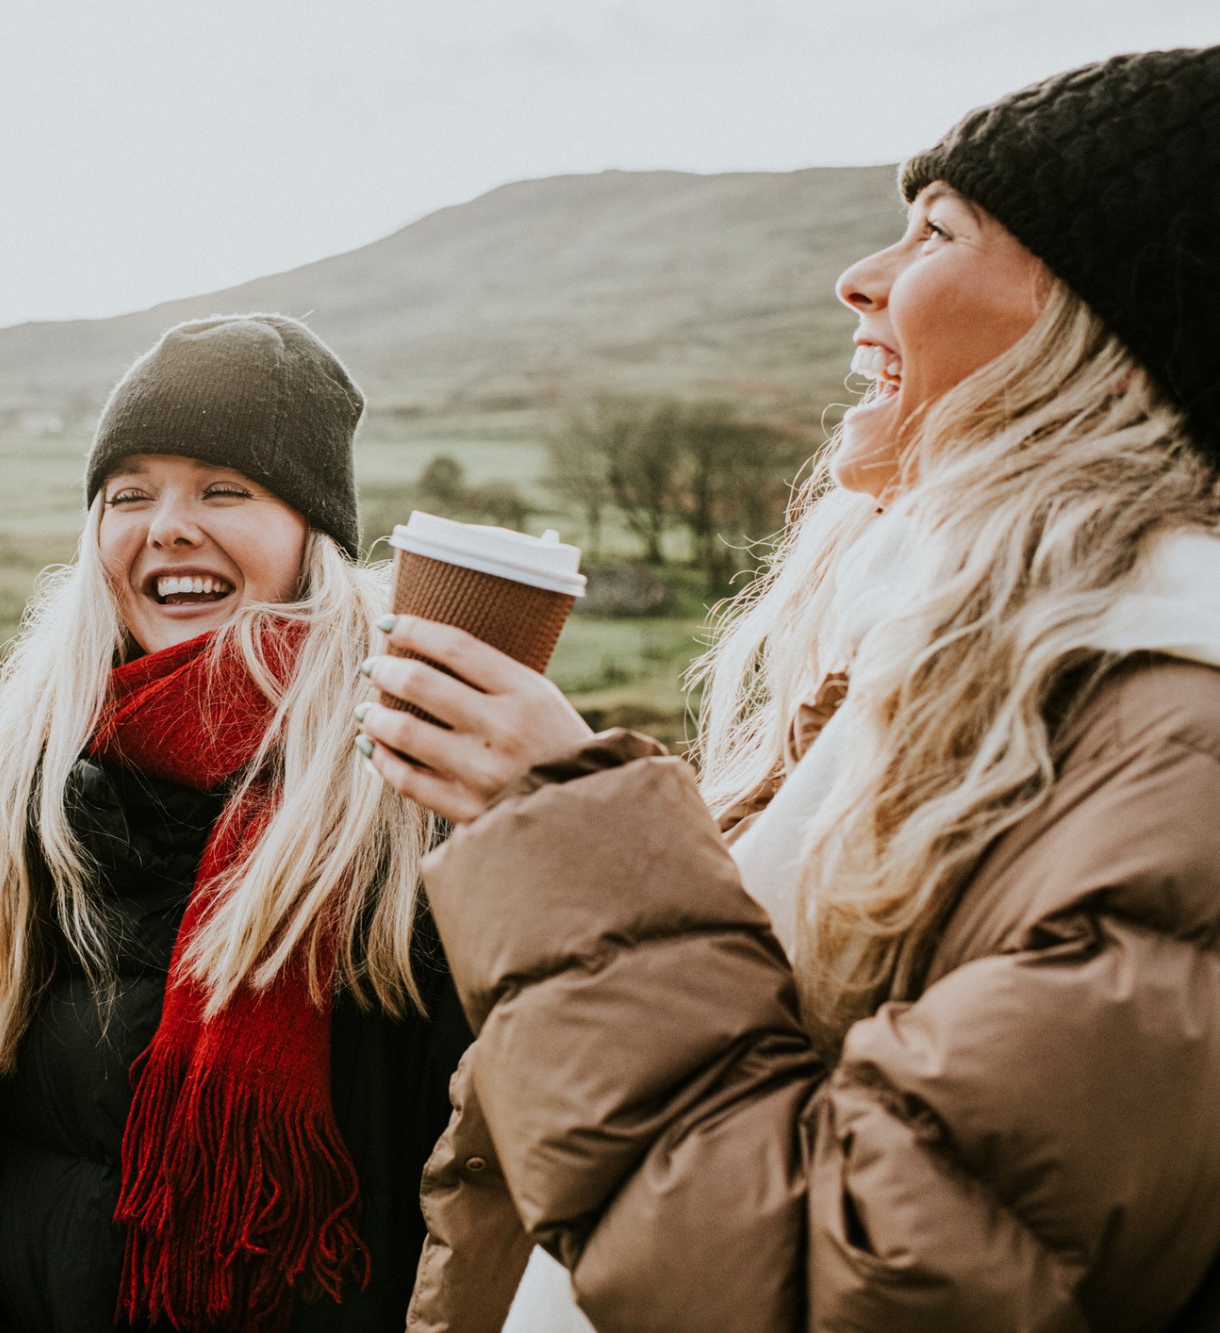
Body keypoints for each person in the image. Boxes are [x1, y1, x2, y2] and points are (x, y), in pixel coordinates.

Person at [357, 47, 1220, 1332]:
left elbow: (858, 1278)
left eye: (934, 230)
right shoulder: (932, 667)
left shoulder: (1171, 754)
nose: (856, 278)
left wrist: (568, 836)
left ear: (1104, 329)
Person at [0, 314, 473, 1333]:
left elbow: (479, 1193)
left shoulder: (403, 801)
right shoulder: (40, 790)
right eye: (129, 494)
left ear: (314, 533)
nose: (167, 525)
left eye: (225, 489)